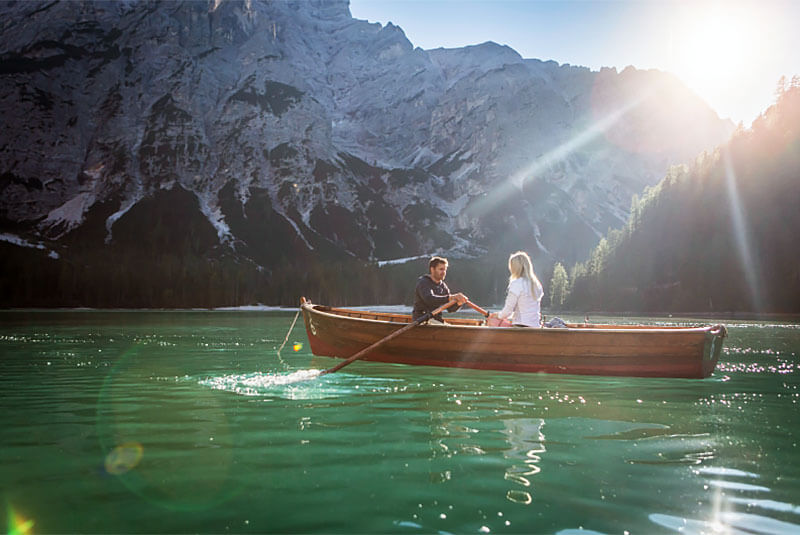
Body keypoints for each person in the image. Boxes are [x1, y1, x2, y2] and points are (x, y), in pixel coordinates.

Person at [489, 251, 544, 327]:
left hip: (521, 326)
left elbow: (507, 311)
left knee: (492, 321)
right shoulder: (537, 284)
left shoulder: (517, 284)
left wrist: (496, 316)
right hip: (536, 325)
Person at [412, 256, 468, 323]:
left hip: (436, 320)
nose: (444, 272)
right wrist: (451, 297)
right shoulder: (423, 282)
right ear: (432, 269)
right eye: (441, 269)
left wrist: (459, 303)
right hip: (422, 320)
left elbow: (450, 309)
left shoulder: (443, 286)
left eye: (445, 269)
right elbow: (429, 299)